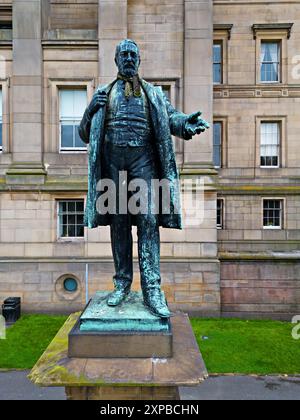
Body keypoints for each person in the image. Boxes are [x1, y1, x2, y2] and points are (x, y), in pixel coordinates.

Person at [79, 39, 209, 318]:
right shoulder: (103, 94)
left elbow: (172, 117)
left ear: (138, 60)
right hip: (113, 168)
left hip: (144, 164)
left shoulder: (153, 94)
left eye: (132, 54)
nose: (128, 58)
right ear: (116, 60)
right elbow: (83, 133)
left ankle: (152, 287)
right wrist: (90, 109)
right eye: (123, 54)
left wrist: (186, 123)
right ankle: (122, 284)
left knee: (148, 220)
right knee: (119, 225)